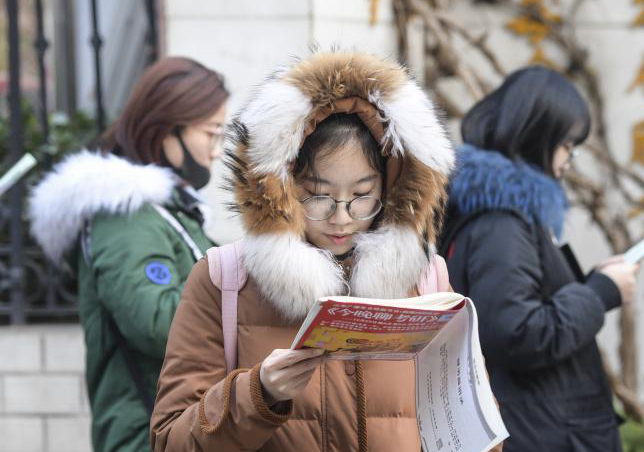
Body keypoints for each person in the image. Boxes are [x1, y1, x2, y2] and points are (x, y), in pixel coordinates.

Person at [149, 51, 489, 452]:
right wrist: (259, 392)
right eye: (317, 196)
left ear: (393, 187)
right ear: (279, 187)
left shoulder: (426, 278)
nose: (341, 219)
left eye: (363, 196)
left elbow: (473, 426)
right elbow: (170, 440)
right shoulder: (224, 280)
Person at [29, 56, 228, 452]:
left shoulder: (168, 212)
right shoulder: (127, 216)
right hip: (149, 437)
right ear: (166, 129)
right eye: (212, 133)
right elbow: (157, 324)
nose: (217, 152)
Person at [439, 66, 639, 452]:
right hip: (540, 434)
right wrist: (599, 295)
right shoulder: (502, 220)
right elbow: (517, 332)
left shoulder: (500, 210)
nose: (569, 160)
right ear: (536, 137)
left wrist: (592, 286)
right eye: (567, 145)